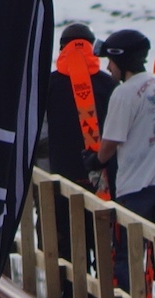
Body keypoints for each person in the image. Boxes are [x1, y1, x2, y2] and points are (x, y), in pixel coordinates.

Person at [97, 31, 155, 232]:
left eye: (110, 61)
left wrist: (96, 160)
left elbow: (110, 142)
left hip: (136, 185)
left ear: (122, 61)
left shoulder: (123, 93)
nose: (108, 67)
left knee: (132, 246)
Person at [48, 22, 110, 188]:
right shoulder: (109, 83)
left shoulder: (48, 84)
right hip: (103, 169)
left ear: (62, 49)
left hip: (61, 169)